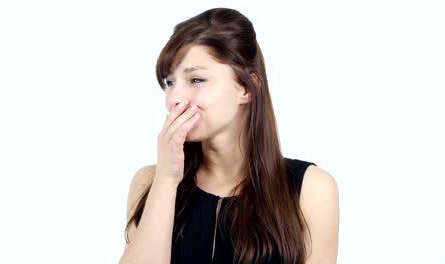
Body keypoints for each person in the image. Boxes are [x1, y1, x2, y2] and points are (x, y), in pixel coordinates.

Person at [119, 7, 339, 264]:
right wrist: (166, 180)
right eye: (170, 83)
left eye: (196, 80)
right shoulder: (149, 182)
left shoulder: (311, 190)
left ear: (247, 86)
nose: (175, 99)